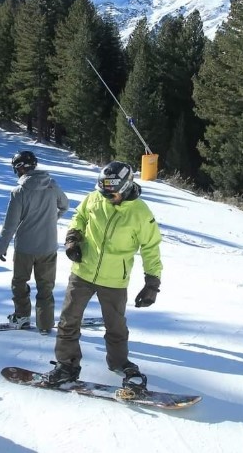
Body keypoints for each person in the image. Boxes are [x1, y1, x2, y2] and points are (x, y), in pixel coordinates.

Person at [45, 161, 162, 389]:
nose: (108, 198)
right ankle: (67, 365)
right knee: (68, 321)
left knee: (116, 326)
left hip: (114, 279)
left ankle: (119, 362)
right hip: (83, 272)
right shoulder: (94, 198)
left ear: (127, 187)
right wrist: (72, 238)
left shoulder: (141, 213)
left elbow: (151, 247)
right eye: (104, 193)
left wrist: (152, 282)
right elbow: (79, 217)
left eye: (113, 194)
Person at [0, 151, 69, 334]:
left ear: (20, 168)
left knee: (20, 282)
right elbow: (65, 205)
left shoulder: (19, 192)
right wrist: (51, 219)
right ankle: (45, 323)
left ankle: (21, 316)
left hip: (25, 247)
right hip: (48, 246)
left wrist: (2, 246)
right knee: (45, 285)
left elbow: (10, 224)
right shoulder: (51, 186)